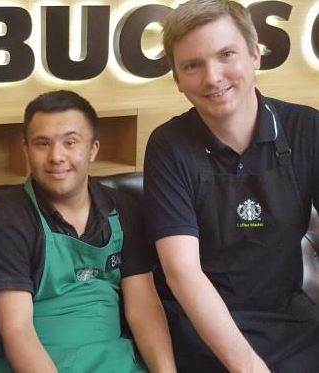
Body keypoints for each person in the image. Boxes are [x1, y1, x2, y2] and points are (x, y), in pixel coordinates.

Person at [144, 0, 319, 371]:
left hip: (289, 320)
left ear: (255, 55)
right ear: (177, 79)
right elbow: (182, 273)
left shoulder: (308, 130)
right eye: (192, 65)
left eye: (226, 55)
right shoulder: (168, 146)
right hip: (201, 328)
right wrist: (249, 367)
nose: (212, 77)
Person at [0, 90, 175, 372]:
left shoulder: (123, 209)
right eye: (42, 144)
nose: (56, 156)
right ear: (25, 149)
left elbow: (144, 307)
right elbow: (17, 330)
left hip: (116, 362)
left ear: (93, 149)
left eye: (70, 142)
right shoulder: (10, 219)